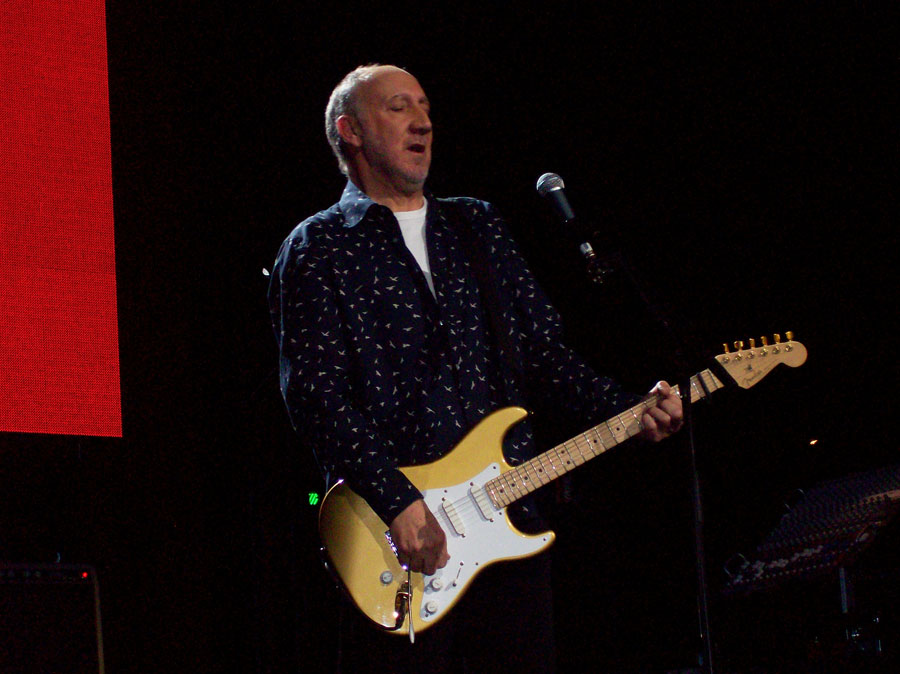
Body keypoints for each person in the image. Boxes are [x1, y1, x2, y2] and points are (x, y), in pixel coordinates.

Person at [268, 64, 683, 672]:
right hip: (397, 542)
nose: (423, 121)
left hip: (509, 523)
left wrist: (627, 408)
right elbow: (315, 396)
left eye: (426, 106)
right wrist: (397, 500)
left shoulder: (477, 225)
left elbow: (544, 353)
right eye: (398, 107)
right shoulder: (318, 247)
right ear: (350, 131)